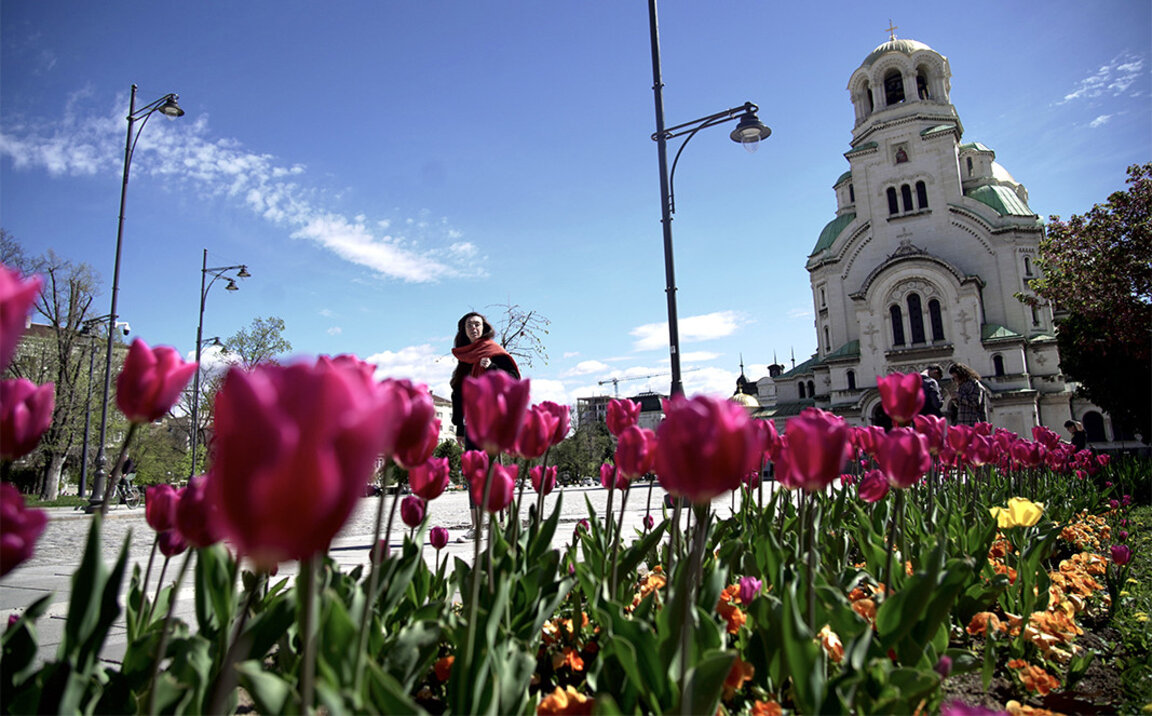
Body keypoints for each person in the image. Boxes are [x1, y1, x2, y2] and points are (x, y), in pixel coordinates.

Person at [449, 312, 520, 538]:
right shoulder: (464, 358)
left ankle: (509, 522)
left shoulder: (494, 352)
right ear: (463, 330)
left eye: (477, 324)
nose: (474, 328)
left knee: (496, 470)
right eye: (469, 325)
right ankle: (477, 526)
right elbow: (458, 394)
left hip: (493, 420)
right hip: (472, 423)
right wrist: (458, 426)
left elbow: (513, 380)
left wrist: (491, 368)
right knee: (474, 472)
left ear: (484, 327)